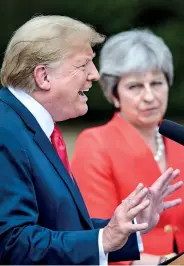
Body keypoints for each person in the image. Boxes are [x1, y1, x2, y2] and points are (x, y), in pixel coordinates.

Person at [0, 17, 182, 265]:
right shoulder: (6, 130)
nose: (95, 75)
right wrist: (105, 239)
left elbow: (65, 225)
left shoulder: (29, 126)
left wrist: (129, 228)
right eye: (84, 65)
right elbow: (11, 243)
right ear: (43, 76)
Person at [71, 29, 184, 265]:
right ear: (114, 94)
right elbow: (98, 238)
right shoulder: (95, 144)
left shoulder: (178, 140)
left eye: (156, 82)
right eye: (135, 87)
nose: (150, 96)